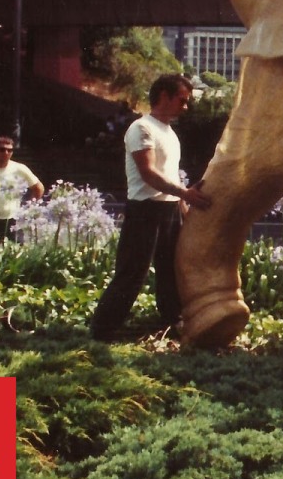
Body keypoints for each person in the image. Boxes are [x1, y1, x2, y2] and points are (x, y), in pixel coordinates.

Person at [89, 74, 211, 342]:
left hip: (170, 210)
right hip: (145, 210)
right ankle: (102, 330)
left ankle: (170, 320)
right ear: (164, 96)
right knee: (133, 272)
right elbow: (149, 173)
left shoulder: (170, 133)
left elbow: (172, 174)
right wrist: (186, 194)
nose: (186, 106)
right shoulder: (141, 128)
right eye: (182, 100)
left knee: (170, 270)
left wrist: (183, 206)